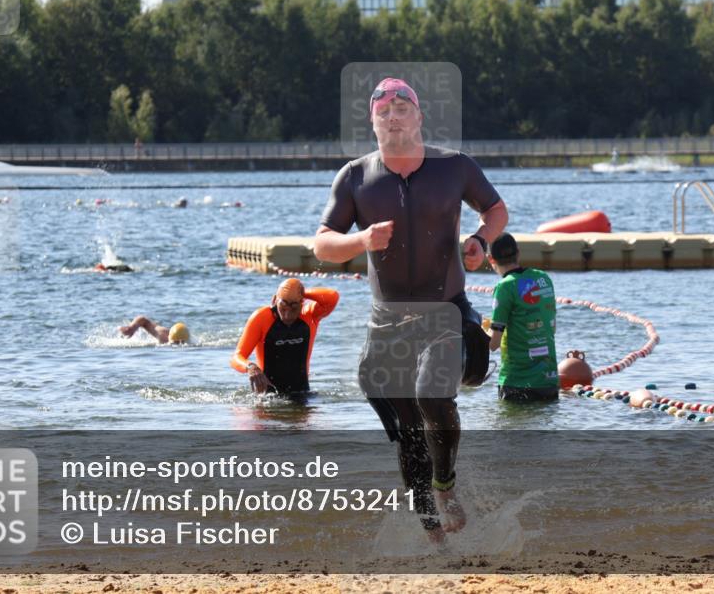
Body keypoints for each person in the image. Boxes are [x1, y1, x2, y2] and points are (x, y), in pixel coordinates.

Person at [313, 77, 508, 541]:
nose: (394, 115)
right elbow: (322, 244)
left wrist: (481, 241)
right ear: (373, 121)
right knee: (408, 432)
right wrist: (361, 239)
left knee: (432, 396)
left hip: (445, 309)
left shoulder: (455, 167)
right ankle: (430, 531)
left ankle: (445, 487)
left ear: (419, 117)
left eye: (403, 107)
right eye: (385, 109)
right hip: (389, 320)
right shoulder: (356, 176)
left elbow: (497, 210)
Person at [230, 278, 339, 395]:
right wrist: (250, 367)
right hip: (267, 397)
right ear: (275, 300)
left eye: (294, 307)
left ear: (302, 302)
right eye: (283, 306)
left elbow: (332, 296)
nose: (287, 315)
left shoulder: (309, 315)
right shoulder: (261, 318)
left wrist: (299, 291)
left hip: (302, 394)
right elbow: (236, 357)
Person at [486, 233, 559, 401]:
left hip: (517, 383)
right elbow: (551, 327)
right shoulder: (543, 279)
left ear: (491, 259)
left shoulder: (505, 286)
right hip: (549, 381)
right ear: (518, 253)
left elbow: (493, 344)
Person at [119, 317, 190, 344]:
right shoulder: (163, 336)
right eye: (175, 342)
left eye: (180, 342)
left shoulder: (192, 344)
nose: (178, 344)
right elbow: (143, 320)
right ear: (170, 338)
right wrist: (132, 328)